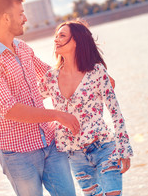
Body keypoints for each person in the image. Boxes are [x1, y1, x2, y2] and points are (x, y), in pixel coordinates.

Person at [0, 0, 79, 196]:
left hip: (50, 143)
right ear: (6, 18)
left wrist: (93, 76)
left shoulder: (22, 48)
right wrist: (57, 115)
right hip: (18, 154)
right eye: (20, 14)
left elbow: (52, 75)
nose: (25, 18)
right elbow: (9, 109)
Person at [38, 20, 133, 196]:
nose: (56, 40)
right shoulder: (50, 77)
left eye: (62, 35)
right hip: (75, 156)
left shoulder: (96, 72)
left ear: (77, 41)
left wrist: (123, 147)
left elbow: (115, 113)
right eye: (56, 36)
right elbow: (28, 99)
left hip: (104, 147)